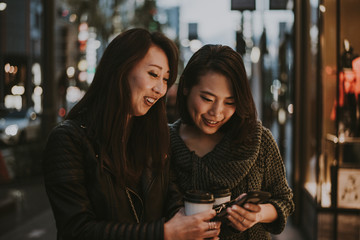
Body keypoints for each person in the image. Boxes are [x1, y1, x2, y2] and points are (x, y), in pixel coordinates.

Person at [43, 28, 221, 240]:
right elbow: (77, 230)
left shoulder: (156, 136)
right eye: (153, 74)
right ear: (121, 69)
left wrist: (193, 225)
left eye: (166, 79)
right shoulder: (69, 140)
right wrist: (164, 233)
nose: (160, 89)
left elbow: (171, 197)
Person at [169, 44, 295, 239]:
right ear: (185, 87)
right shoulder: (164, 143)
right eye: (207, 98)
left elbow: (284, 201)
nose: (217, 112)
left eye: (230, 102)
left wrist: (257, 214)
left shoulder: (258, 140)